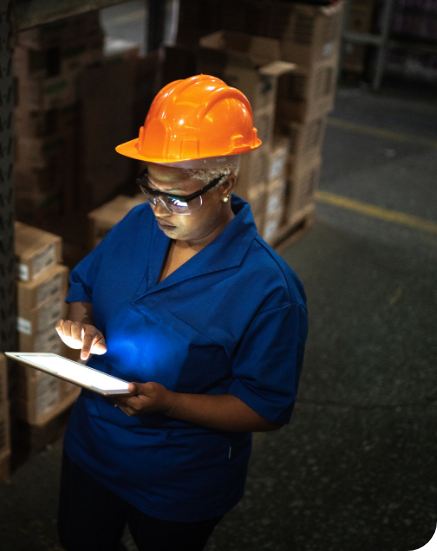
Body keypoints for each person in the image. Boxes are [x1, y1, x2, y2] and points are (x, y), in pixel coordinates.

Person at [54, 75, 308, 551]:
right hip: (92, 449)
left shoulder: (268, 289)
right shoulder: (137, 225)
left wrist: (171, 405)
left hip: (178, 482)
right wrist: (83, 322)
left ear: (225, 183)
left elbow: (266, 406)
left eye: (175, 197)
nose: (158, 209)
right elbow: (85, 282)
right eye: (150, 188)